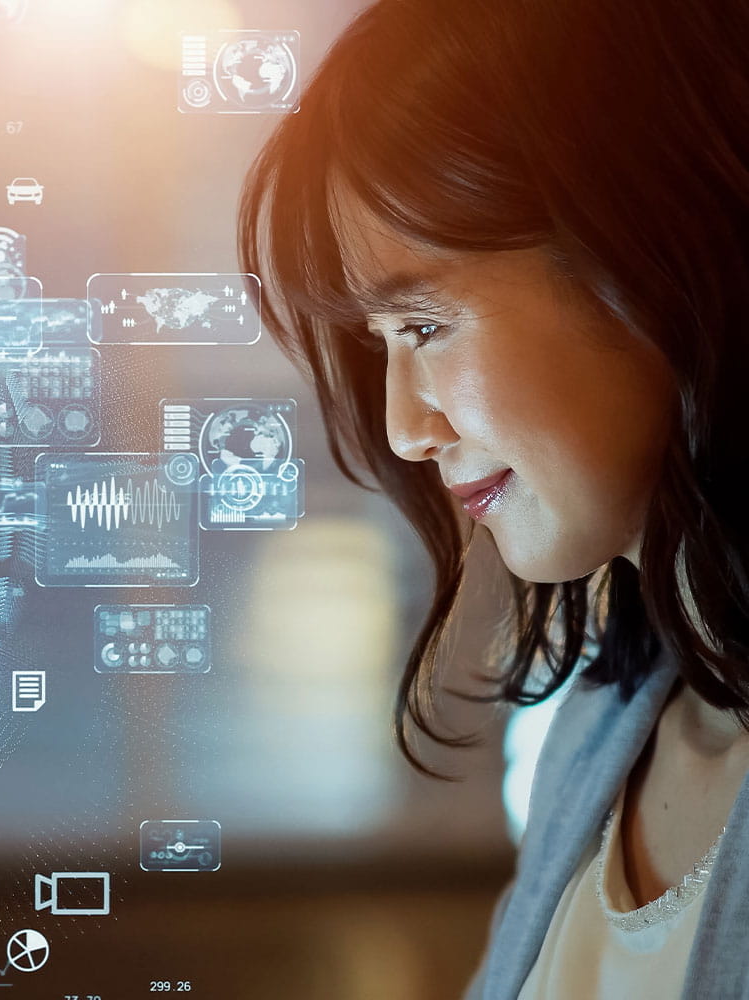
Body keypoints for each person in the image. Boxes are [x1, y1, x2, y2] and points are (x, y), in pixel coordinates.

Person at [237, 0, 749, 996]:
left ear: (641, 248)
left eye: (422, 325)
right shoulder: (609, 726)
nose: (401, 428)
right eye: (376, 344)